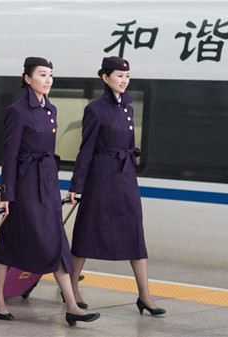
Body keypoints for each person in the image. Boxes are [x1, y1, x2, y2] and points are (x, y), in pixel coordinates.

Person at [0, 57, 100, 327]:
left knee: (57, 242)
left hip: (47, 185)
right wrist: (7, 194)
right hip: (25, 186)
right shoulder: (17, 111)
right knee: (11, 242)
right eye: (42, 75)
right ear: (27, 79)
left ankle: (72, 305)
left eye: (50, 75)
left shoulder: (50, 108)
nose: (48, 80)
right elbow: (9, 155)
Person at [66, 56, 166, 316]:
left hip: (125, 178)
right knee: (88, 230)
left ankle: (145, 295)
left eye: (127, 76)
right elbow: (85, 150)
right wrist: (76, 185)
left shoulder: (128, 108)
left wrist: (132, 177)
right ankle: (73, 287)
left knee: (135, 233)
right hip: (100, 178)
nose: (124, 80)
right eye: (119, 76)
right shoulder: (95, 109)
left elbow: (130, 146)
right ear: (105, 77)